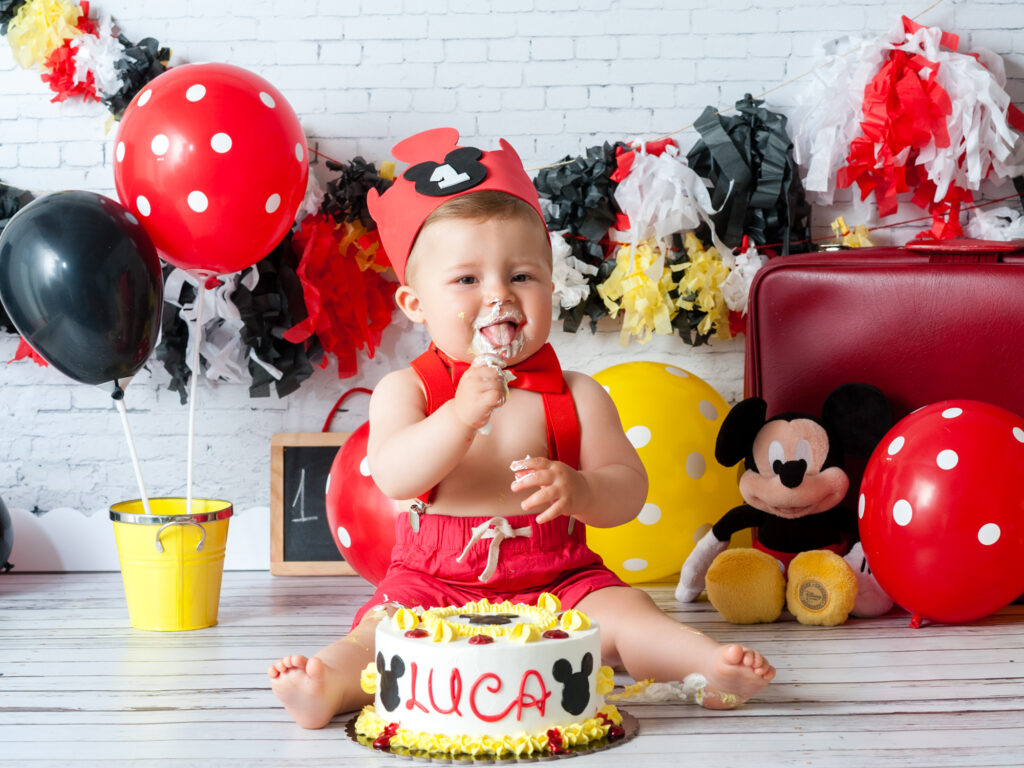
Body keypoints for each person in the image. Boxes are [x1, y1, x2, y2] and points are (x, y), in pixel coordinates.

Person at [268, 128, 775, 729]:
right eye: (466, 280)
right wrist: (458, 415)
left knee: (629, 613)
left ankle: (702, 665)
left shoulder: (578, 394)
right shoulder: (409, 390)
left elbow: (628, 490)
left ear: (551, 285)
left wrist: (580, 490)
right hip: (432, 577)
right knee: (381, 634)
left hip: (557, 575)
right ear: (414, 303)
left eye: (522, 277)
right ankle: (327, 685)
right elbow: (397, 477)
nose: (499, 297)